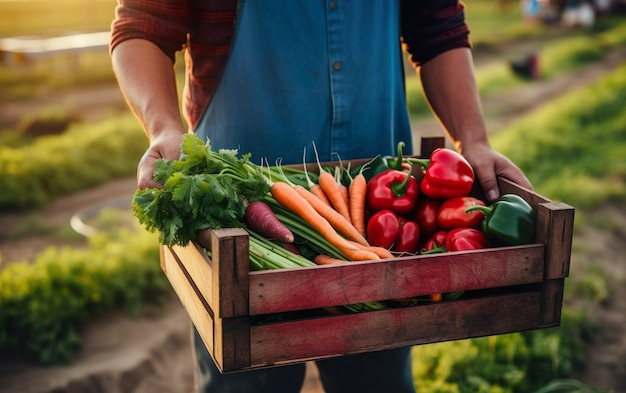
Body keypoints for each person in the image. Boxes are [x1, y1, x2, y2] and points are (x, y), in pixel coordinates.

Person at [110, 1, 533, 392]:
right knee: (245, 381)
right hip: (237, 219)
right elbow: (142, 25)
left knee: (376, 379)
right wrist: (164, 127)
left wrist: (473, 138)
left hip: (378, 222)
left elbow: (437, 27)